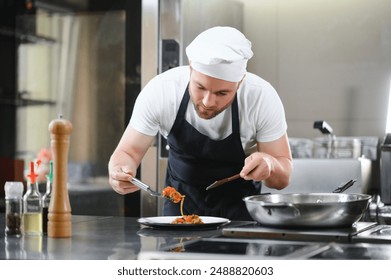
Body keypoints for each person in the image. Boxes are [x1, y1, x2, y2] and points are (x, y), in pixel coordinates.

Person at [108, 26, 293, 220]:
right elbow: (127, 153)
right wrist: (120, 172)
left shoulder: (261, 98)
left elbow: (283, 178)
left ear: (240, 82)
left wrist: (270, 165)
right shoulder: (161, 91)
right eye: (200, 87)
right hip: (180, 207)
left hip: (241, 212)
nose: (207, 102)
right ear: (190, 69)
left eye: (222, 93)